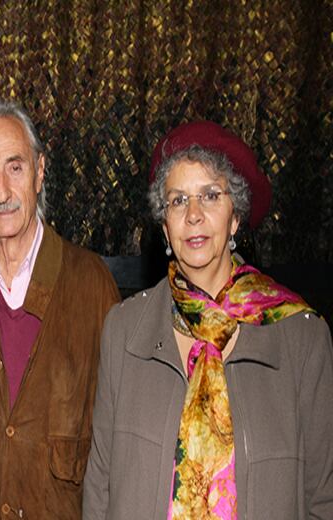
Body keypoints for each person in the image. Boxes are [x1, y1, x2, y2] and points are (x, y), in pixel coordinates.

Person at [83, 120, 333, 519]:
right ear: (165, 226)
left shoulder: (300, 336)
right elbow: (100, 484)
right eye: (178, 200)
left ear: (235, 218)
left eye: (210, 196)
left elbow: (324, 495)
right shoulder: (124, 330)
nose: (194, 215)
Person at [0, 100, 120, 518]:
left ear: (40, 172)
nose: (1, 192)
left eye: (15, 167)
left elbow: (120, 439)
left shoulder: (91, 285)